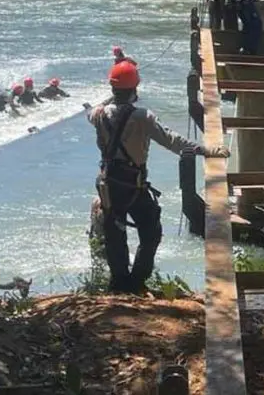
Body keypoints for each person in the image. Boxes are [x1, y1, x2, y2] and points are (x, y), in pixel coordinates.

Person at [89, 61, 229, 294]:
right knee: (151, 232)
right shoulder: (142, 117)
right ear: (135, 89)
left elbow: (97, 108)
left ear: (112, 90)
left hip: (108, 184)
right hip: (133, 184)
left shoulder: (98, 115)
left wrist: (111, 96)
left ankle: (119, 284)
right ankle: (136, 282)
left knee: (115, 232)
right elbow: (172, 141)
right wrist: (205, 151)